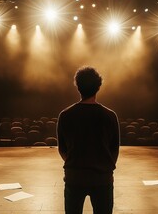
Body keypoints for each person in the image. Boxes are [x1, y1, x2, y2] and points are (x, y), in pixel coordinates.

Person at [57, 66, 120, 214]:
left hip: (75, 177)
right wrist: (104, 168)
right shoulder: (110, 116)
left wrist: (75, 164)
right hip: (102, 178)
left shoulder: (65, 115)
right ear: (98, 87)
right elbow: (115, 150)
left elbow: (62, 149)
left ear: (78, 87)